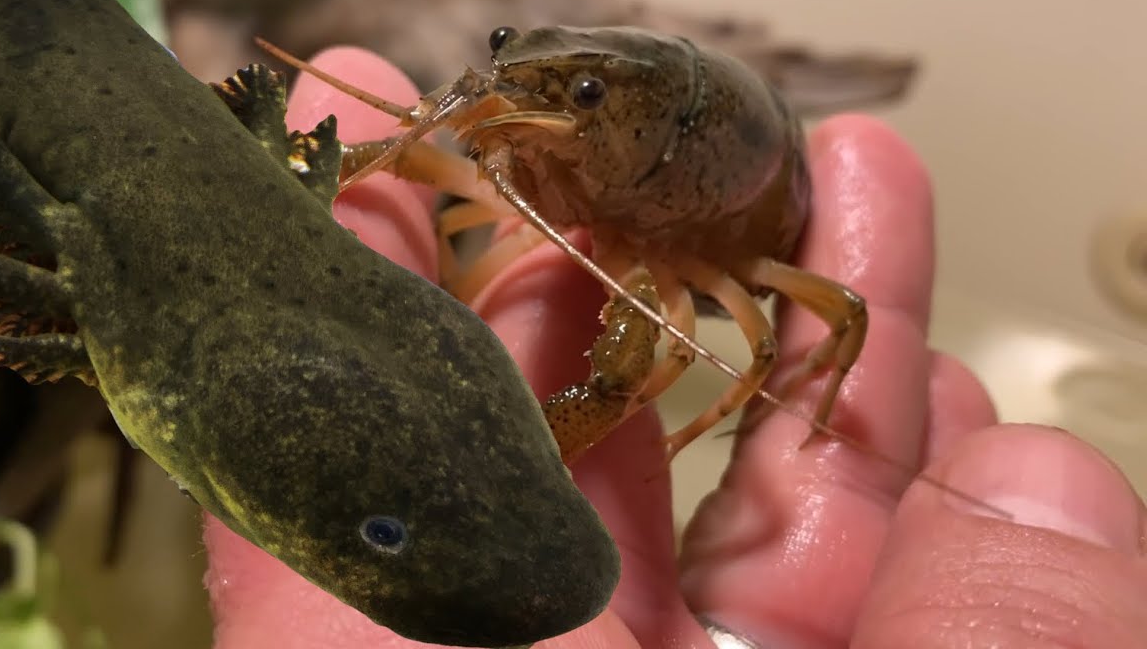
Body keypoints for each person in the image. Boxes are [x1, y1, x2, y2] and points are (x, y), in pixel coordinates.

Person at [202, 47, 1147, 649]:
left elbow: (815, 318)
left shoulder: (692, 225)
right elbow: (447, 136)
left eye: (581, 93)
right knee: (388, 162)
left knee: (651, 368)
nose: (512, 91)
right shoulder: (545, 119)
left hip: (716, 243)